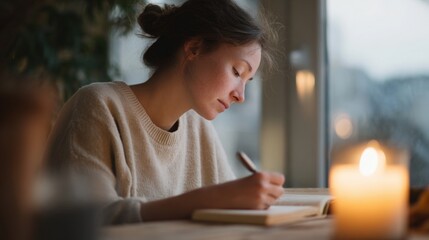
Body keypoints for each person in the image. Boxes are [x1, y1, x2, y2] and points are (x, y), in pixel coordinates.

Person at [47, 0, 285, 224]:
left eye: (247, 81)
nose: (240, 96)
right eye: (236, 72)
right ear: (194, 48)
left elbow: (229, 208)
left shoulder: (198, 128)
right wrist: (204, 200)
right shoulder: (98, 106)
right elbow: (88, 219)